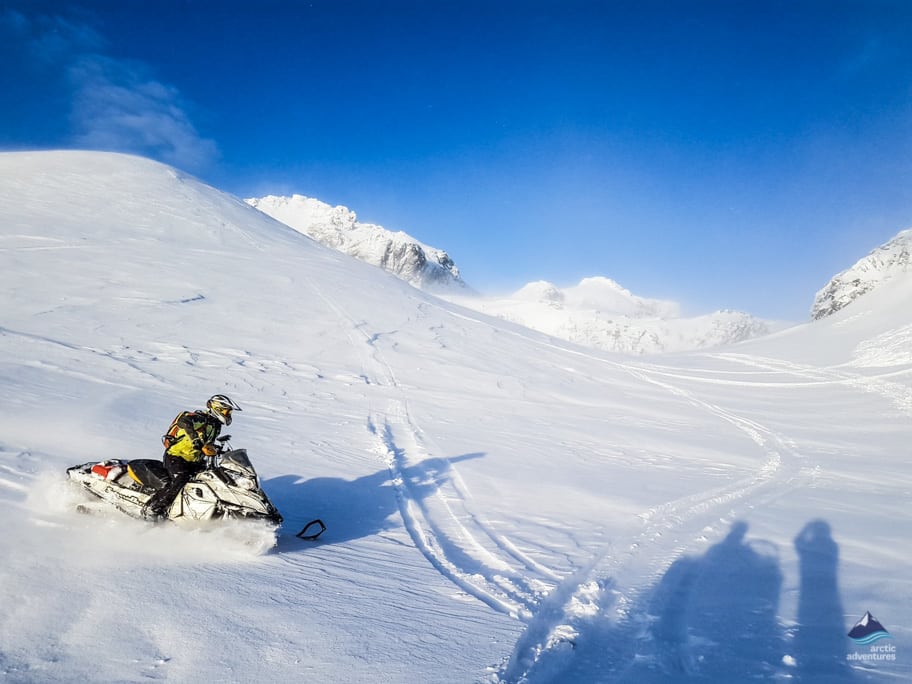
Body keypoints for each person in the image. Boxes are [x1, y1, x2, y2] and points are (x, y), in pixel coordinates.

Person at [143, 394, 242, 520]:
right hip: (177, 457)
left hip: (195, 461)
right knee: (180, 479)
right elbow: (184, 422)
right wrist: (195, 439)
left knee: (212, 480)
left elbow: (206, 443)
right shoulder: (199, 418)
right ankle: (154, 509)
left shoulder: (216, 426)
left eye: (230, 413)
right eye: (227, 411)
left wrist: (217, 449)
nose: (229, 415)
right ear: (218, 408)